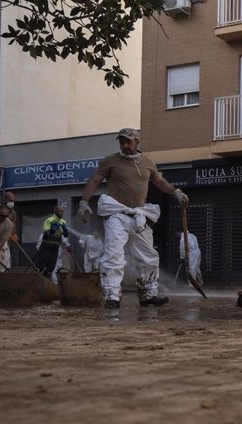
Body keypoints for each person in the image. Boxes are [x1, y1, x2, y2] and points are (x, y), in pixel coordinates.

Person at [78, 128, 189, 309]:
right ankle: (112, 296)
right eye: (121, 142)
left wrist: (176, 192)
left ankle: (148, 295)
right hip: (116, 215)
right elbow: (94, 180)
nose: (124, 145)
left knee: (148, 255)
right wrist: (84, 202)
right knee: (113, 254)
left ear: (137, 142)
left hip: (139, 215)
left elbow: (159, 181)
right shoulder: (110, 160)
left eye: (128, 141)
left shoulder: (147, 162)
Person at [34, 205, 70, 278]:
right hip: (46, 247)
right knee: (40, 265)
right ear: (55, 211)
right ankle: (35, 280)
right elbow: (46, 234)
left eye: (62, 211)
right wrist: (53, 229)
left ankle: (46, 281)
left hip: (55, 248)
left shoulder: (63, 222)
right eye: (60, 211)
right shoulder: (49, 220)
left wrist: (65, 230)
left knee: (51, 268)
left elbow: (65, 235)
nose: (61, 213)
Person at [0, 204, 14, 272]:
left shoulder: (8, 224)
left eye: (6, 216)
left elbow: (2, 241)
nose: (4, 218)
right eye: (2, 216)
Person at [2, 191, 17, 269]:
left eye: (13, 201)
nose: (12, 203)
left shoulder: (13, 213)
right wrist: (8, 234)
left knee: (7, 260)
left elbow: (13, 225)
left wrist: (14, 234)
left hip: (6, 241)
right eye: (11, 200)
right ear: (5, 200)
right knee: (1, 260)